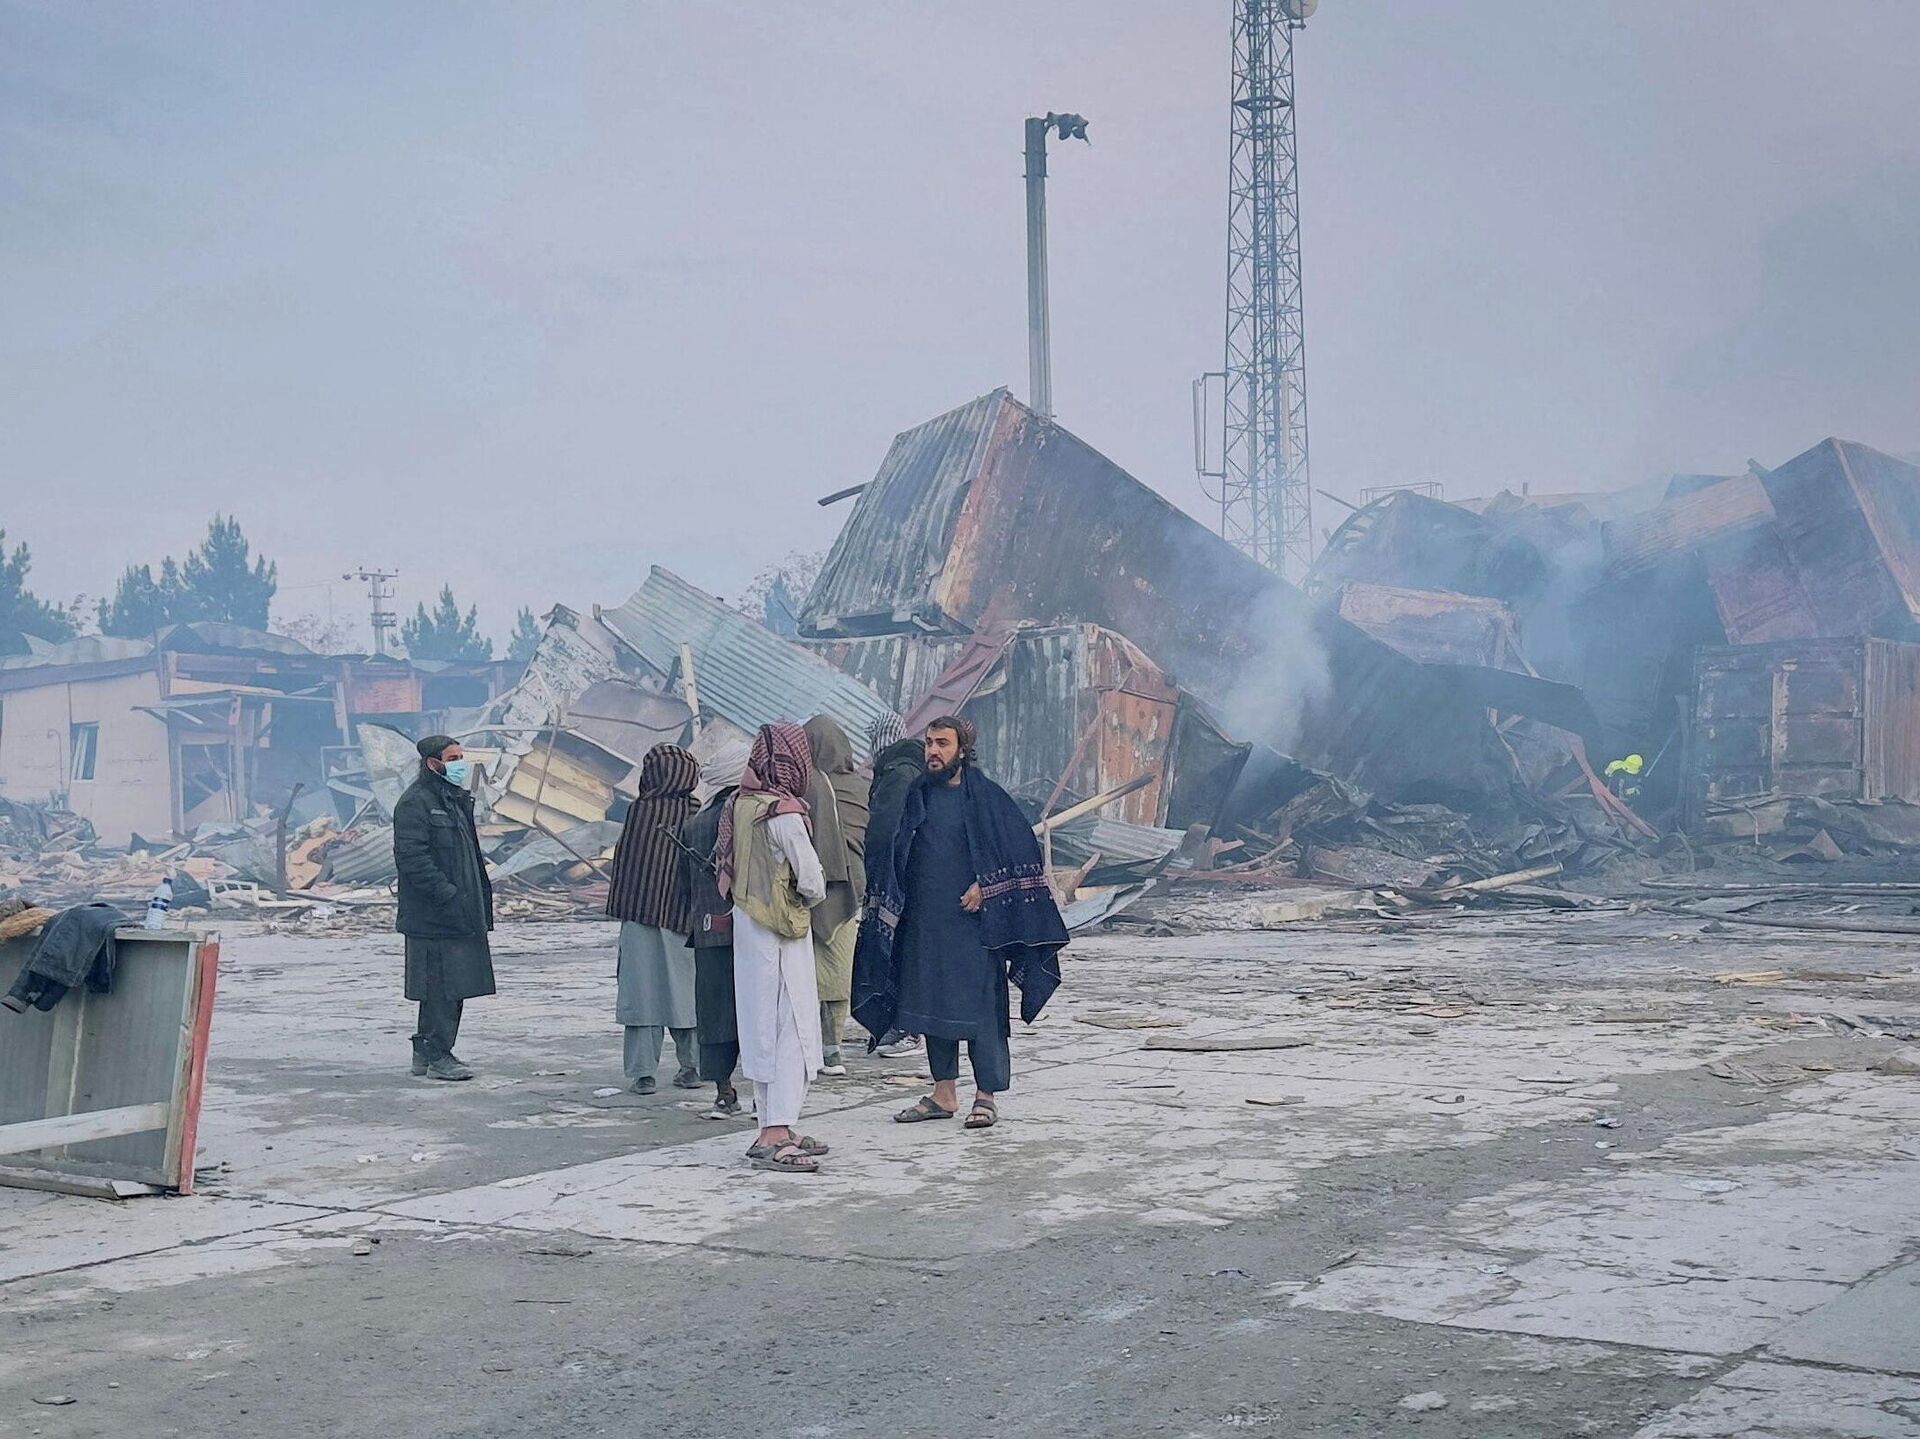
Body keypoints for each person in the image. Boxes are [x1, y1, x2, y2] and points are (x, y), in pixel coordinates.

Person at [855, 716, 1068, 1130]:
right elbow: (893, 849)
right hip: (924, 925)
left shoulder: (987, 798)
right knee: (931, 1007)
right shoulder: (917, 794)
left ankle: (985, 1096)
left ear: (963, 750)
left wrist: (988, 886)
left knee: (983, 1012)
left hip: (975, 930)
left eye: (942, 744)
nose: (933, 751)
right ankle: (944, 1093)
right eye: (929, 743)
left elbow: (1020, 854)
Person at [717, 723, 830, 1174]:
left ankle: (771, 1125)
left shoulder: (739, 805)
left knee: (761, 1030)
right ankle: (777, 1133)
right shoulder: (783, 814)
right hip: (783, 936)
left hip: (749, 932)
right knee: (792, 1030)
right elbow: (813, 880)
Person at [393, 735, 495, 1081]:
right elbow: (412, 858)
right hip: (434, 915)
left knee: (451, 986)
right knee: (441, 987)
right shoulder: (415, 803)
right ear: (432, 763)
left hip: (460, 910)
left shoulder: (453, 800)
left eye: (461, 757)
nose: (460, 764)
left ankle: (427, 1051)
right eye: (453, 759)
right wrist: (447, 894)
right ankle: (438, 1055)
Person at [606, 744, 701, 1095]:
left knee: (642, 994)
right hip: (683, 920)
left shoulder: (639, 812)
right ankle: (693, 1068)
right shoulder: (696, 812)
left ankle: (643, 1074)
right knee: (686, 996)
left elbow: (628, 866)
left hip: (639, 915)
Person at [803, 714, 869, 1077]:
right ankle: (833, 1047)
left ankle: (814, 1046)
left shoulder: (806, 785)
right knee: (839, 968)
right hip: (853, 887)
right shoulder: (859, 787)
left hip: (814, 885)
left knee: (812, 969)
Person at [680, 755, 745, 1120]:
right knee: (755, 1013)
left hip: (707, 932)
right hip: (750, 931)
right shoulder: (746, 815)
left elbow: (683, 885)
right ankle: (766, 1095)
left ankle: (724, 1091)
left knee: (716, 1014)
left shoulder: (695, 824)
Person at [863, 711, 927, 1060]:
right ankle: (901, 1024)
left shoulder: (898, 772)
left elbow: (885, 831)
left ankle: (910, 1029)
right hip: (912, 874)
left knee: (900, 950)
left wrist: (877, 872)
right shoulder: (908, 767)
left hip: (898, 876)